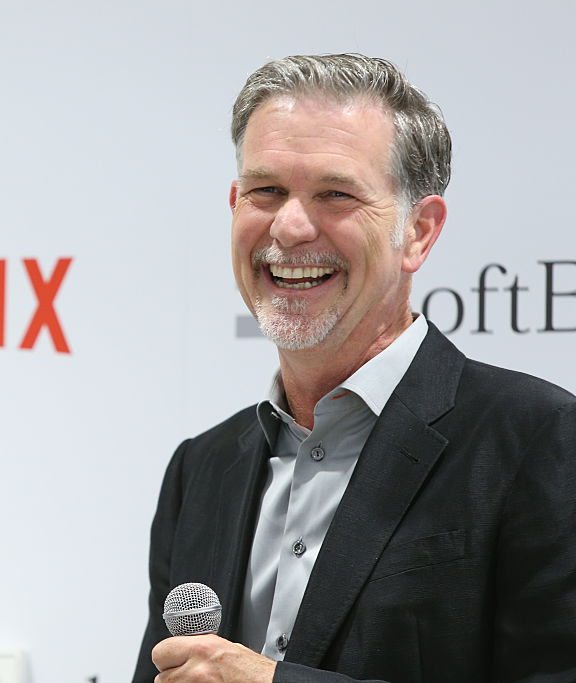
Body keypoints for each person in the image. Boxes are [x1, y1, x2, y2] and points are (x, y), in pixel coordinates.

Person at [133, 54, 576, 683]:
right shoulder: (201, 469)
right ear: (234, 205)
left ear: (419, 231)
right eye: (265, 191)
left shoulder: (540, 439)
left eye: (335, 195)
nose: (289, 226)